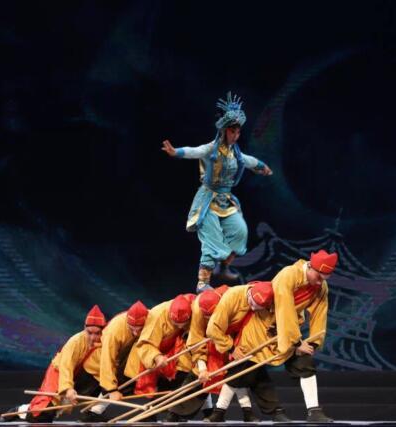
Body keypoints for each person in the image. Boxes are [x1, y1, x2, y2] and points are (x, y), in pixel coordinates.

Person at [161, 92, 273, 293]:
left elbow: (248, 161)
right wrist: (175, 152)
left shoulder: (235, 153)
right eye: (232, 132)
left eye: (238, 133)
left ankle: (223, 267)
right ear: (224, 131)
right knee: (210, 240)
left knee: (240, 231)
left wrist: (262, 167)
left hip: (226, 199)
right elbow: (194, 151)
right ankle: (202, 282)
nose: (235, 136)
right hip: (208, 199)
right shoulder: (212, 149)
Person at [164, 286, 258, 422]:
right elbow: (196, 341)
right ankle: (177, 413)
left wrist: (232, 346)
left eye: (211, 315)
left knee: (236, 376)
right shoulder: (197, 311)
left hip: (232, 343)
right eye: (206, 316)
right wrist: (202, 368)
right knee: (199, 377)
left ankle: (245, 412)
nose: (209, 319)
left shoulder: (229, 301)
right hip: (209, 347)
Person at [0, 305, 106, 423]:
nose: (93, 337)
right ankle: (22, 410)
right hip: (59, 372)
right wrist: (68, 388)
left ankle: (93, 413)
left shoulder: (105, 343)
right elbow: (66, 365)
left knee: (103, 386)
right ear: (84, 328)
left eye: (97, 333)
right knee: (40, 416)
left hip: (78, 374)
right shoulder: (75, 341)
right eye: (89, 333)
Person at [206, 282, 291, 422]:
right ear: (250, 293)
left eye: (258, 307)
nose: (253, 308)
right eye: (251, 303)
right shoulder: (232, 296)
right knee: (242, 373)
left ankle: (222, 412)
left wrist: (276, 328)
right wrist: (231, 348)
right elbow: (213, 329)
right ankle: (269, 411)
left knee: (246, 371)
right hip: (226, 338)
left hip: (251, 339)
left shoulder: (272, 299)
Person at [271, 249, 338, 422]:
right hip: (263, 325)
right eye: (318, 277)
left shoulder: (320, 286)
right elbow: (284, 309)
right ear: (310, 267)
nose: (320, 282)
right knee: (245, 369)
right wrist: (295, 342)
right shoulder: (289, 275)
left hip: (288, 330)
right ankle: (218, 409)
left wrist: (312, 343)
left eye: (324, 279)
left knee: (305, 363)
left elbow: (319, 314)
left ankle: (314, 412)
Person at [80, 301, 149, 421]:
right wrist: (111, 390)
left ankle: (94, 411)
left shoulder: (151, 320)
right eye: (132, 329)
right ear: (127, 322)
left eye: (139, 329)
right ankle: (93, 412)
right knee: (88, 390)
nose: (136, 333)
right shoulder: (114, 331)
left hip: (123, 358)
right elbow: (107, 361)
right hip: (99, 362)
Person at [133, 294, 196, 421]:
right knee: (157, 384)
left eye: (183, 323)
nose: (179, 326)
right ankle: (150, 413)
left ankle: (180, 413)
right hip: (156, 353)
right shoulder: (157, 315)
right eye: (176, 323)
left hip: (180, 348)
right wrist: (156, 357)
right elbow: (145, 344)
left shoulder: (194, 308)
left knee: (192, 375)